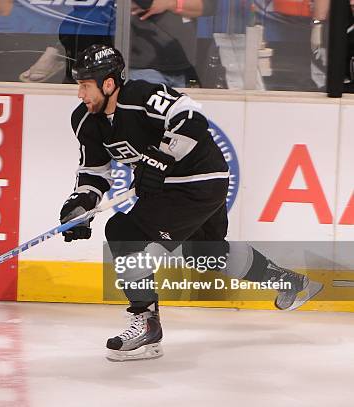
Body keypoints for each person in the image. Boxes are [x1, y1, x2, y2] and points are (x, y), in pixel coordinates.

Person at [58, 44, 322, 362]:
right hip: (171, 189)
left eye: (86, 85)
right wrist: (80, 204)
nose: (80, 94)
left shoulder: (143, 95)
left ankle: (145, 322)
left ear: (109, 83)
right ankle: (289, 281)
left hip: (199, 179)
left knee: (122, 231)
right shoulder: (86, 120)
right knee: (207, 252)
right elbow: (94, 171)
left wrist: (160, 159)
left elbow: (191, 118)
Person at [128, 0, 217, 88]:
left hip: (184, 66)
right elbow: (141, 4)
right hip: (144, 67)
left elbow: (207, 6)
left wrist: (169, 3)